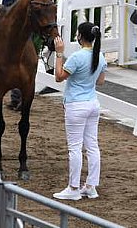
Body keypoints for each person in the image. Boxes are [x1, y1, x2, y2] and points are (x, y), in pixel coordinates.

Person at [52, 22, 106, 201]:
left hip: (76, 105)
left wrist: (59, 53)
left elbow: (59, 77)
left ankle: (74, 187)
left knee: (74, 148)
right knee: (92, 145)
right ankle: (91, 186)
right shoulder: (100, 56)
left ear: (80, 37)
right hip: (92, 103)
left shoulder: (77, 57)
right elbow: (100, 82)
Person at [2, 0, 29, 110]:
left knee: (12, 66)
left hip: (14, 37)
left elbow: (5, 16)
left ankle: (15, 98)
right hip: (29, 35)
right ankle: (23, 98)